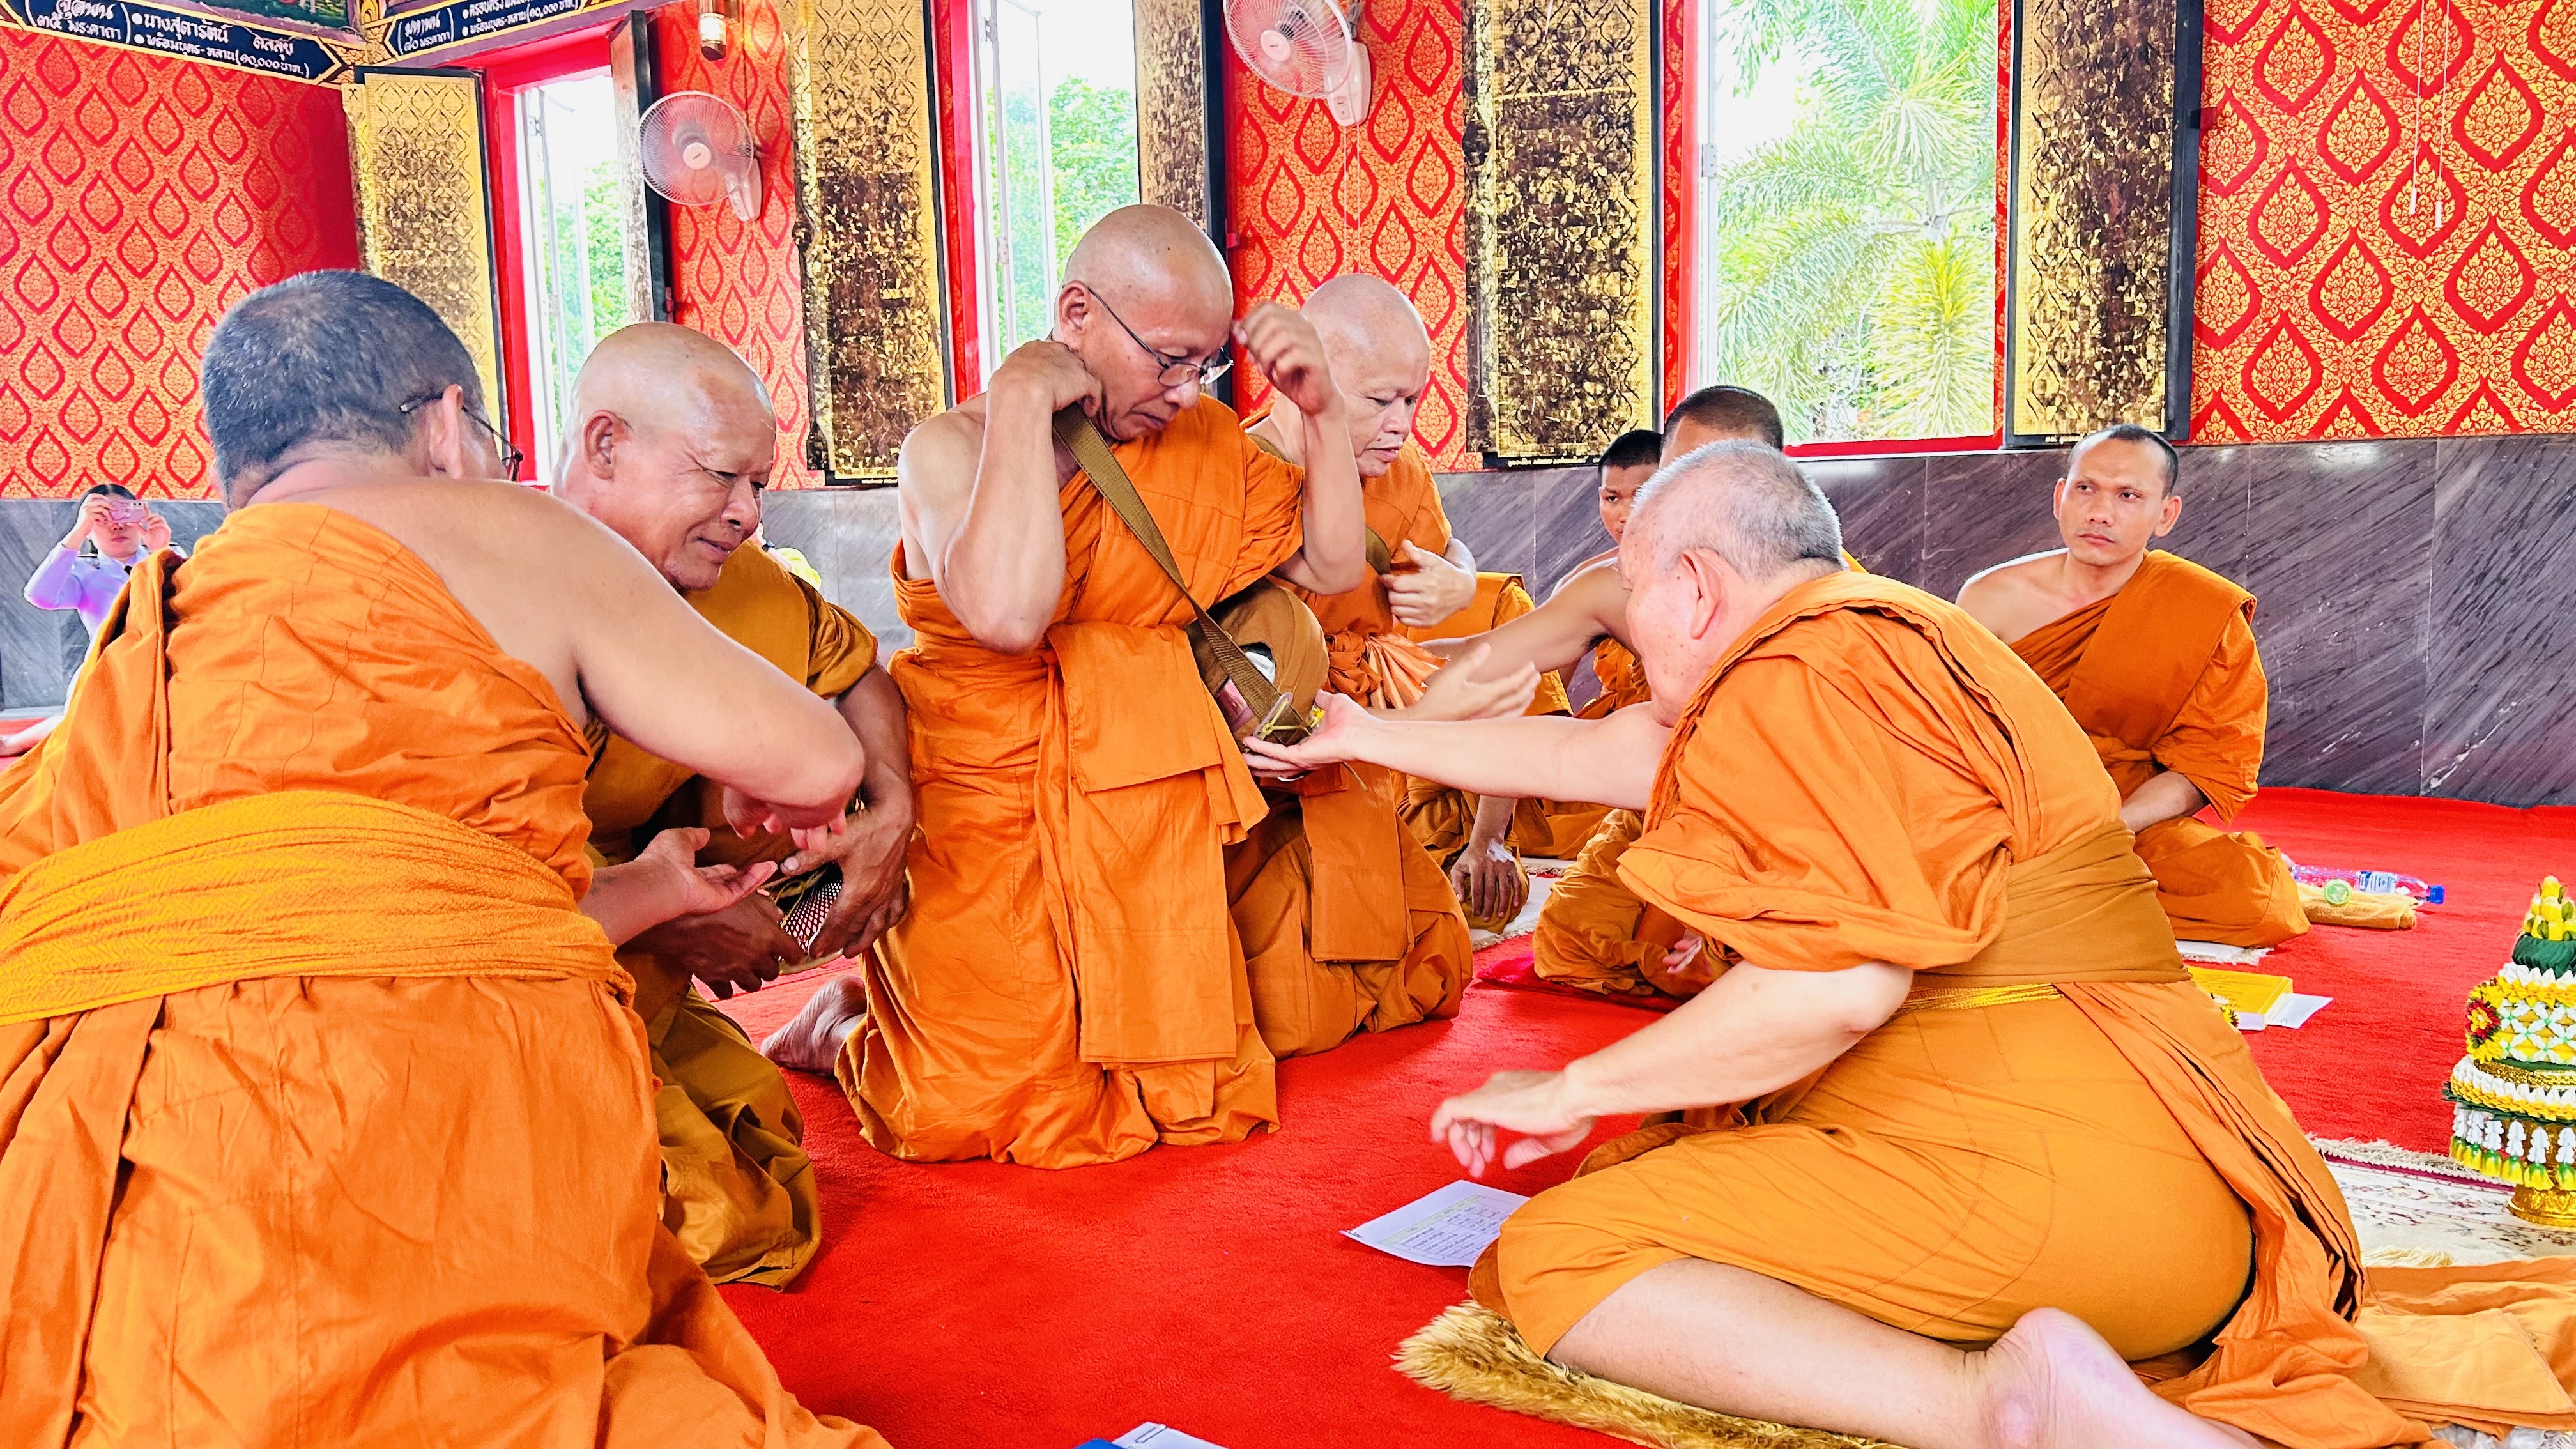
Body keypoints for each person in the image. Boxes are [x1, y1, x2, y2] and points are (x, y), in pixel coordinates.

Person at [1248, 440, 2576, 1449]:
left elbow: (1839, 984)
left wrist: (1568, 1087)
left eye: (1629, 606)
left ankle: (1991, 1400)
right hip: (2202, 1169)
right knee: (1687, 1148)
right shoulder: (1896, 632)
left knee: (1562, 1253)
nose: (1624, 639)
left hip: (2072, 1200)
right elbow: (1609, 749)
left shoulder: (1800, 678)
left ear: (1696, 588)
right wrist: (1367, 738)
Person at [0, 271, 884, 1446]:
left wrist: (657, 886)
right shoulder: (517, 527)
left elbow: (355, 892)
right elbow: (814, 755)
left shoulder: (149, 628)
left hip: (108, 1161)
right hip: (414, 1106)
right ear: (438, 424)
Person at [760, 204, 1373, 1166]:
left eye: (1206, 364)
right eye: (1168, 359)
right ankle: (838, 1022)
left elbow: (1334, 568)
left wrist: (1326, 416)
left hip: (1139, 800)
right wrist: (1019, 410)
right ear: (1077, 313)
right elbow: (1008, 618)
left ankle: (874, 999)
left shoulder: (1201, 446)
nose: (1185, 392)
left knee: (1180, 1091)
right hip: (981, 800)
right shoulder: (953, 445)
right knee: (962, 1109)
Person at [553, 322, 914, 1287]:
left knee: (760, 1167)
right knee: (712, 1220)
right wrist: (666, 921)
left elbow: (857, 674)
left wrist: (894, 805)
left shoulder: (739, 585)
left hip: (701, 914)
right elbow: (457, 871)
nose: (750, 514)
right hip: (536, 967)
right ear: (605, 447)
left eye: (759, 482)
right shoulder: (494, 604)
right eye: (721, 477)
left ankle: (821, 1001)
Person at [1427, 390, 1796, 998]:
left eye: (1730, 474)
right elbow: (1500, 670)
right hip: (1661, 787)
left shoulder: (1823, 584)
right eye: (1683, 476)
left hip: (1791, 819)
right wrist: (1364, 662)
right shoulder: (1612, 586)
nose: (1700, 496)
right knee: (1580, 936)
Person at [1225, 273, 1493, 1056]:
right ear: (1311, 380)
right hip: (1267, 783)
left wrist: (1463, 579)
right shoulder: (1237, 476)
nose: (1403, 424)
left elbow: (1446, 550)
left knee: (1437, 972)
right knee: (1293, 1013)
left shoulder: (1400, 473)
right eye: (1381, 401)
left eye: (1414, 398)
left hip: (1370, 755)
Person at [1956, 425, 2305, 949]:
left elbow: (2205, 763)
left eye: (2128, 496)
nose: (2100, 512)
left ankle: (2042, 895)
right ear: (2060, 497)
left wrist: (2108, 828)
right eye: (2086, 489)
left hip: (2125, 816)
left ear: (2165, 514)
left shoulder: (2204, 611)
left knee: (2256, 900)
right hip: (2008, 807)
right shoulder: (1989, 598)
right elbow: (1952, 733)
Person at [4, 486, 185, 756]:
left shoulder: (168, 559)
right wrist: (77, 532)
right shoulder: (84, 573)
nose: (117, 526)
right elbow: (40, 596)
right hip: (108, 676)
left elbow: (191, 605)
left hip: (169, 668)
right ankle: (15, 743)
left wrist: (160, 553)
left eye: (125, 514)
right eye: (103, 518)